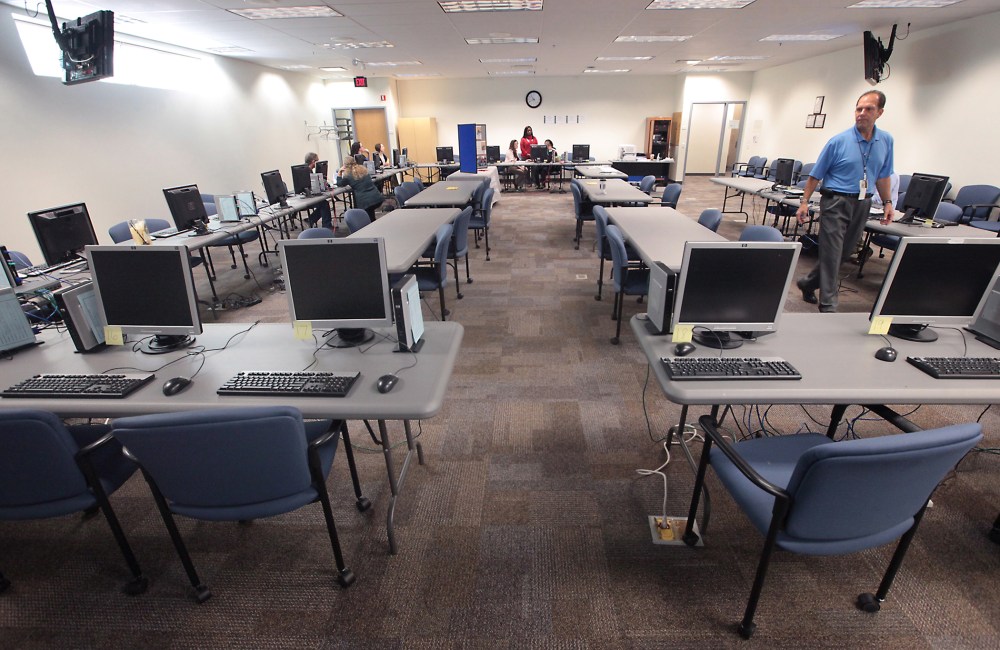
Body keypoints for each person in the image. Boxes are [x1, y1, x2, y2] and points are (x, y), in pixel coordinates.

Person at [795, 90, 894, 313]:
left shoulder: (886, 141)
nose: (862, 113)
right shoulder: (838, 141)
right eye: (859, 109)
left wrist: (888, 202)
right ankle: (829, 305)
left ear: (879, 112)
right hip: (835, 202)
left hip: (863, 203)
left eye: (868, 109)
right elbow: (815, 175)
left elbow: (883, 175)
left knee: (844, 253)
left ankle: (808, 283)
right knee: (831, 253)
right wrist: (804, 202)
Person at [337, 156, 383, 221]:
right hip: (377, 197)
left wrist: (339, 173)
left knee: (367, 218)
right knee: (371, 216)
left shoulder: (348, 175)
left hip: (365, 202)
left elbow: (339, 184)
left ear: (345, 165)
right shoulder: (363, 169)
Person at [304, 152, 333, 229]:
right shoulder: (305, 171)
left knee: (323, 203)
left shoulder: (309, 170)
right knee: (324, 204)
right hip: (307, 198)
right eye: (317, 160)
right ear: (313, 161)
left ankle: (311, 220)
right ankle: (326, 226)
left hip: (312, 195)